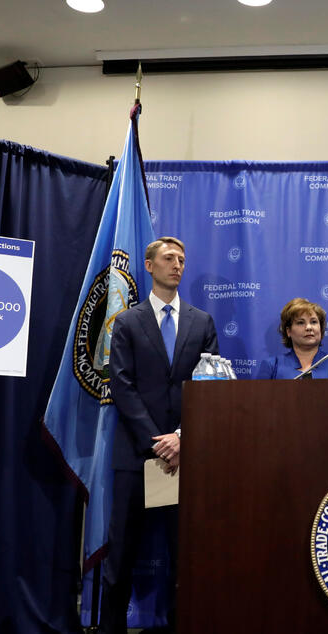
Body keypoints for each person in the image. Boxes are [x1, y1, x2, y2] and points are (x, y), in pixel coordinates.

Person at [103, 236, 219, 634]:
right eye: (169, 258)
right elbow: (121, 384)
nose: (178, 265)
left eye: (183, 260)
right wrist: (159, 440)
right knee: (119, 555)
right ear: (149, 266)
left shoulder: (201, 322)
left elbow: (208, 384)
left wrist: (183, 437)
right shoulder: (127, 321)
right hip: (136, 456)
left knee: (185, 555)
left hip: (187, 456)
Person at [254, 298, 328, 379]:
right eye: (300, 322)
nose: (309, 327)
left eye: (313, 322)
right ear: (288, 331)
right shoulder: (272, 366)